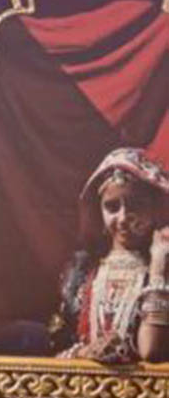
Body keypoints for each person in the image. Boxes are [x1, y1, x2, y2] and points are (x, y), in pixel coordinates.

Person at [50, 147, 169, 364]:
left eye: (136, 205)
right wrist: (84, 353)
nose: (123, 218)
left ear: (156, 210)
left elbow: (152, 351)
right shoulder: (81, 272)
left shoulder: (161, 271)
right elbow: (57, 347)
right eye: (112, 207)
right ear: (99, 212)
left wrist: (159, 269)